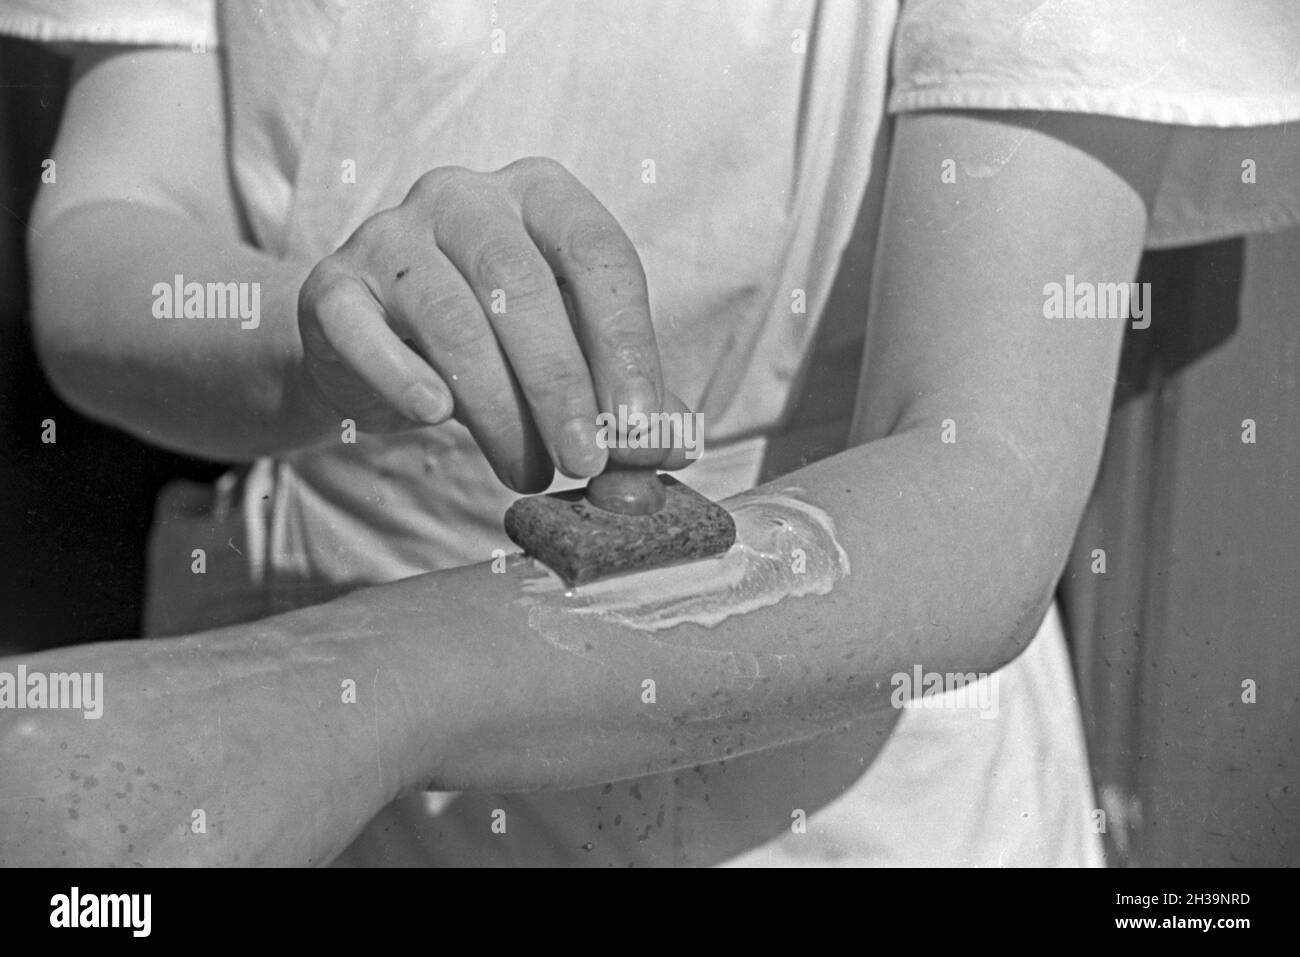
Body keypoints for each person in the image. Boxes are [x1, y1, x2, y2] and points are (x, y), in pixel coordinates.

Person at [2, 1, 1297, 866]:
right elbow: (107, 234)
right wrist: (331, 336)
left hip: (808, 798)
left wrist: (335, 691)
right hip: (272, 755)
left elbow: (979, 486)